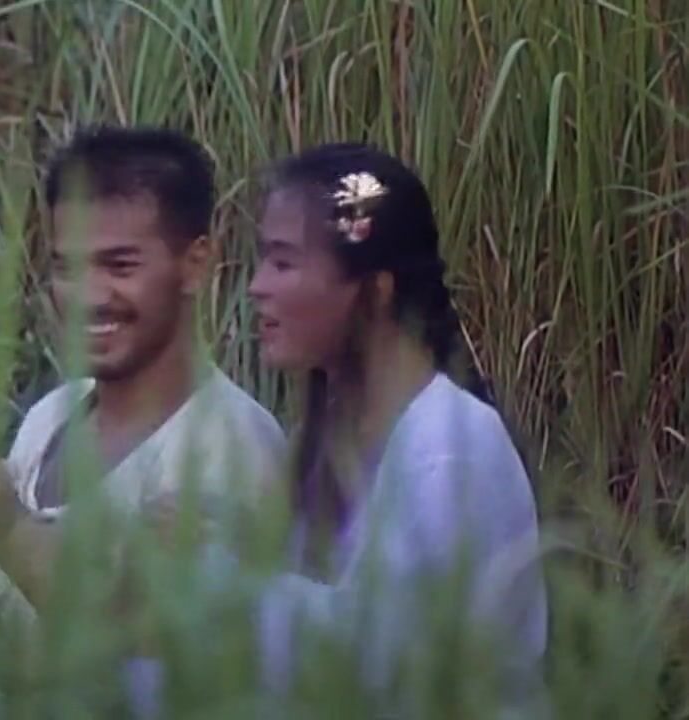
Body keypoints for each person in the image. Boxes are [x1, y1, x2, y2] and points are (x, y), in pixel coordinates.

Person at [124, 143, 549, 716]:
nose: (256, 287)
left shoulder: (450, 448)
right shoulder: (327, 436)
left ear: (376, 288)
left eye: (283, 263)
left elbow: (379, 662)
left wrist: (218, 571)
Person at [0, 126, 287, 630]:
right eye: (66, 268)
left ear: (196, 264)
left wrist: (8, 528)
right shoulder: (51, 415)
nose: (89, 297)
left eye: (120, 266)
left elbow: (154, 647)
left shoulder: (229, 446)